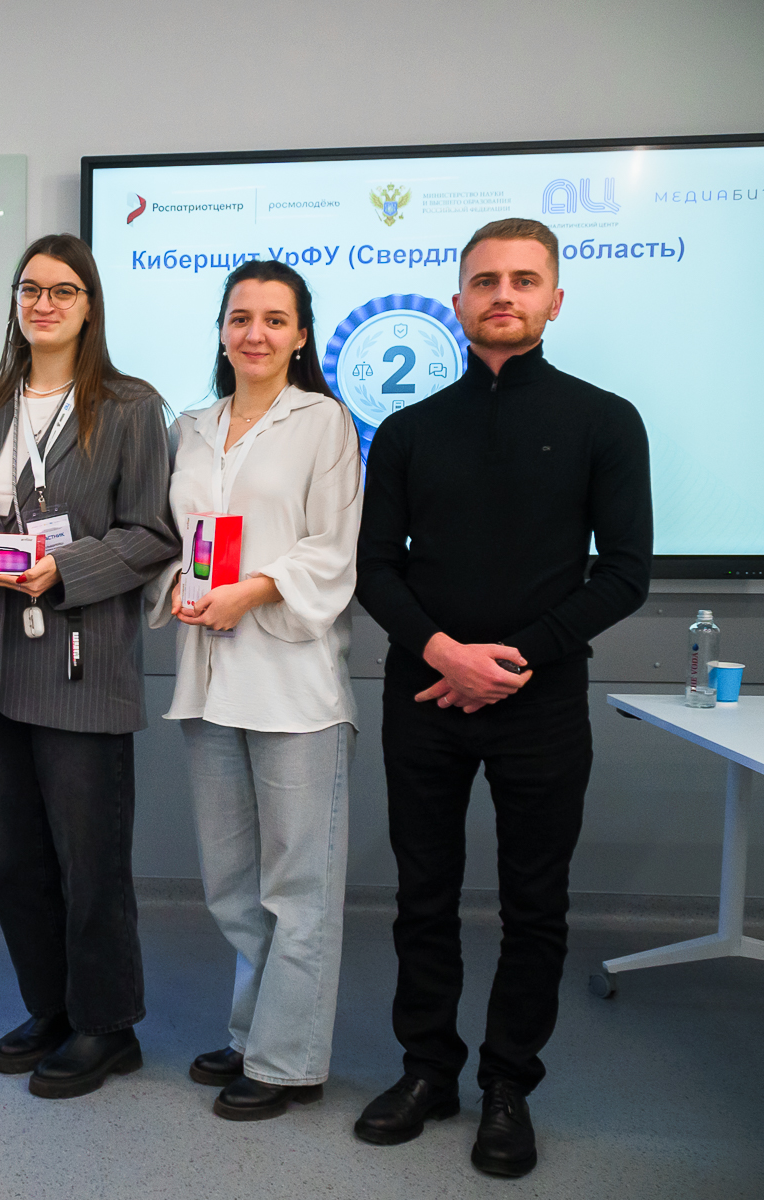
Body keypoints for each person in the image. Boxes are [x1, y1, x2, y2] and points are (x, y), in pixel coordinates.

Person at [352, 218, 652, 1177]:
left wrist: (509, 662)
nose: (504, 295)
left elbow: (625, 574)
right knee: (423, 897)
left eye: (524, 280)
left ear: (555, 300)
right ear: (458, 302)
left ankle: (508, 1085)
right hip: (424, 695)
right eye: (486, 281)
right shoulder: (407, 430)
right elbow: (374, 568)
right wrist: (447, 654)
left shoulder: (606, 419)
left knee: (535, 906)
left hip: (541, 704)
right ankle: (427, 1070)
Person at [0, 234, 176, 1099]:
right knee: (17, 864)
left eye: (63, 290)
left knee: (91, 864)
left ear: (89, 305)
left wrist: (62, 569)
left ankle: (107, 1025)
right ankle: (49, 1007)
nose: (44, 304)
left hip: (83, 661)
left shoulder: (129, 408)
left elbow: (151, 533)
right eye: (30, 289)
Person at [153, 260, 362, 1121]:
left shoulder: (325, 422)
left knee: (298, 887)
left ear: (301, 335)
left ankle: (286, 1059)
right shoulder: (191, 427)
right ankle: (252, 1033)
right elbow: (171, 539)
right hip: (209, 680)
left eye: (276, 320)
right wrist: (177, 582)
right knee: (233, 886)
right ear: (221, 329)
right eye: (241, 317)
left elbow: (333, 546)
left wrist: (255, 589)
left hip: (293, 686)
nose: (256, 333)